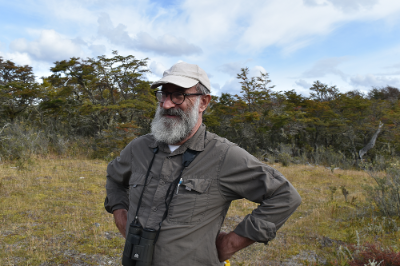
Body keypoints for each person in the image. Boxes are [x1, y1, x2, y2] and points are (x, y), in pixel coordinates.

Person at [104, 62, 301, 266]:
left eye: (179, 95)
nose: (166, 104)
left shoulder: (223, 156)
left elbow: (285, 196)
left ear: (204, 102)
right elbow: (114, 178)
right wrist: (119, 213)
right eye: (164, 94)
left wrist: (231, 243)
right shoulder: (139, 148)